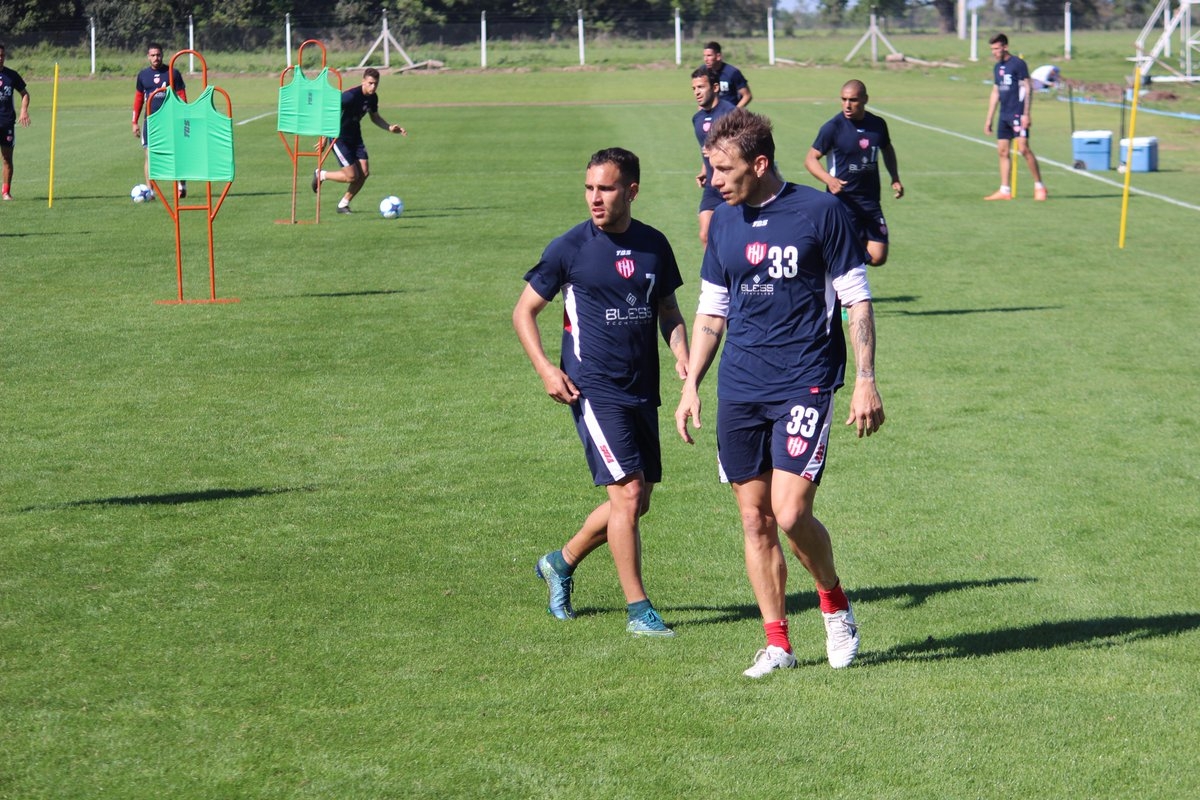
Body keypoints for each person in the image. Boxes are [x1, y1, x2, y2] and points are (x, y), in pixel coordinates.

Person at [674, 110, 884, 677]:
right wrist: (692, 384)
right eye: (711, 168)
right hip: (741, 384)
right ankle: (778, 644)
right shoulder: (723, 221)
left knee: (789, 513)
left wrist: (865, 379)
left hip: (805, 379)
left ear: (760, 163)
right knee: (755, 520)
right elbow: (712, 309)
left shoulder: (821, 212)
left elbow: (856, 298)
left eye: (724, 169)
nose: (713, 180)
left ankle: (834, 606)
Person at [513, 147, 690, 638]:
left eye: (606, 188)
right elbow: (524, 311)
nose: (595, 197)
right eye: (589, 188)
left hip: (642, 389)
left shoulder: (654, 244)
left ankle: (560, 562)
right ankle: (639, 611)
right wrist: (546, 369)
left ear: (631, 191)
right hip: (593, 389)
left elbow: (669, 311)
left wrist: (681, 352)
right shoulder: (569, 248)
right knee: (628, 495)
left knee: (637, 501)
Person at [804, 79, 903, 267]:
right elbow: (810, 159)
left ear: (865, 99)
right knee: (847, 256)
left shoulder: (878, 124)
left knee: (878, 256)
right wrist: (829, 179)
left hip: (871, 200)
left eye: (853, 100)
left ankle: (843, 261)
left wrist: (895, 177)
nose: (847, 105)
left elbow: (887, 149)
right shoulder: (833, 127)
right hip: (843, 202)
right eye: (844, 99)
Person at [312, 68, 406, 214]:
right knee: (352, 176)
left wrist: (389, 128)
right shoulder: (350, 96)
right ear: (363, 81)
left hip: (355, 137)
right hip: (339, 138)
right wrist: (324, 137)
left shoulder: (373, 98)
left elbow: (375, 117)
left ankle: (343, 204)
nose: (373, 87)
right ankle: (321, 175)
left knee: (364, 173)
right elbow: (329, 112)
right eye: (370, 83)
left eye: (376, 84)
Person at [983, 33, 1047, 201]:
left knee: (1023, 149)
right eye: (992, 49)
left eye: (996, 49)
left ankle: (1039, 186)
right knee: (1002, 151)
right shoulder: (997, 67)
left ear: (1005, 47)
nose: (994, 52)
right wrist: (989, 118)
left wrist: (1026, 113)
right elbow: (996, 91)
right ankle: (1005, 190)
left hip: (1018, 113)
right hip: (1004, 115)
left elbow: (1028, 88)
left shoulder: (1018, 64)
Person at [691, 67, 738, 247]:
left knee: (734, 236)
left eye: (701, 87)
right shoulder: (697, 118)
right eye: (694, 88)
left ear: (715, 87)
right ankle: (712, 268)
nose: (697, 92)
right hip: (712, 185)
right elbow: (704, 149)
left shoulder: (731, 114)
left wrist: (717, 150)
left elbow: (744, 150)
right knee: (705, 235)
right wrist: (704, 169)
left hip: (733, 183)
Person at [132, 44, 186, 199]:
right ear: (148, 57)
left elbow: (182, 95)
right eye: (153, 55)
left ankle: (181, 185)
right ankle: (150, 191)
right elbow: (138, 99)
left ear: (162, 55)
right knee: (149, 155)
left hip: (170, 120)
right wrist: (134, 122)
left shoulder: (173, 73)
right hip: (150, 121)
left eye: (158, 55)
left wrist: (184, 117)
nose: (156, 58)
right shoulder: (143, 75)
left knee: (177, 153)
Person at [0, 43, 32, 201]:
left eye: (2, 56)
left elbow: (25, 94)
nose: (0, 59)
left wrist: (23, 110)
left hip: (7, 124)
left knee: (7, 159)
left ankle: (6, 192)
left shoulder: (11, 75)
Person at [702, 42, 752, 109]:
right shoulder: (703, 72)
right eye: (704, 56)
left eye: (709, 55)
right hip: (711, 113)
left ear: (718, 56)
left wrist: (734, 112)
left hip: (729, 113)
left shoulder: (732, 72)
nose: (705, 59)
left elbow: (747, 95)